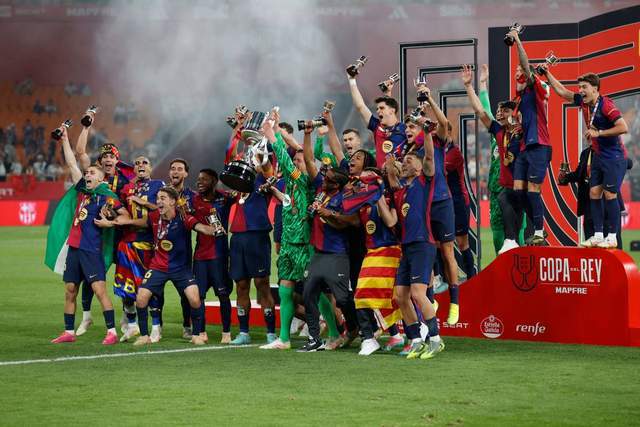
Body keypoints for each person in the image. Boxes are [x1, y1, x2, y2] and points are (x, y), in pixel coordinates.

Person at [260, 117, 341, 350]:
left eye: (300, 160)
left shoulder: (307, 181)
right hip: (288, 244)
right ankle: (284, 339)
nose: (296, 163)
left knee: (315, 292)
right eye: (295, 160)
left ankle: (334, 333)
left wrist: (273, 133)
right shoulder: (291, 185)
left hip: (305, 245)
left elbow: (285, 161)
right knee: (285, 291)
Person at [46, 124, 130, 344]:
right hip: (74, 249)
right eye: (86, 173)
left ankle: (112, 332)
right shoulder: (82, 190)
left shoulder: (107, 196)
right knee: (70, 290)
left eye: (91, 173)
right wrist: (64, 139)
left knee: (99, 290)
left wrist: (110, 223)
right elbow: (72, 162)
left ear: (100, 178)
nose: (87, 175)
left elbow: (125, 216)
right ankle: (69, 332)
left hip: (91, 250)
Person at [543, 69, 629, 248]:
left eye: (584, 87)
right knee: (594, 193)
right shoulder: (583, 102)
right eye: (580, 87)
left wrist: (599, 133)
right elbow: (562, 91)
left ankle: (612, 236)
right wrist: (547, 74)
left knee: (610, 194)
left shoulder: (606, 105)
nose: (580, 90)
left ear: (595, 88)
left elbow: (623, 127)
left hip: (614, 157)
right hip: (598, 156)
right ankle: (598, 235)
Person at [121, 186, 217, 346]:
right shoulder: (153, 216)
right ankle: (144, 336)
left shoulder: (184, 218)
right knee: (141, 297)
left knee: (194, 298)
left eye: (163, 198)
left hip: (181, 268)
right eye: (157, 198)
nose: (158, 201)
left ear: (173, 201)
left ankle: (196, 335)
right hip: (158, 267)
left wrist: (212, 229)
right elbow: (141, 222)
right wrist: (122, 221)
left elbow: (200, 227)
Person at [74, 111, 134, 335]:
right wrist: (86, 127)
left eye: (112, 156)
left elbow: (129, 210)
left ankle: (128, 317)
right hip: (96, 236)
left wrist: (114, 219)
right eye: (105, 156)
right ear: (100, 161)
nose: (108, 159)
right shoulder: (94, 176)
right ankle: (86, 317)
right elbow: (80, 153)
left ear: (117, 160)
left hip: (119, 234)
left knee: (124, 275)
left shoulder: (127, 181)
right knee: (90, 276)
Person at [385, 137, 444, 360]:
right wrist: (390, 164)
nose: (405, 163)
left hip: (422, 244)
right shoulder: (401, 191)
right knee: (401, 296)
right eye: (404, 161)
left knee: (418, 293)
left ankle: (436, 340)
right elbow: (392, 177)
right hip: (407, 247)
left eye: (409, 160)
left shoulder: (423, 182)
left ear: (419, 167)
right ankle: (417, 340)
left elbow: (429, 156)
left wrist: (427, 134)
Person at [299, 126, 358, 352]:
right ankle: (314, 338)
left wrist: (329, 214)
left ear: (338, 184)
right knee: (308, 294)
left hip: (337, 254)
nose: (324, 179)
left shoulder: (345, 198)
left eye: (329, 179)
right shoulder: (321, 190)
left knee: (342, 298)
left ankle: (355, 327)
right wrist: (307, 134)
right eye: (325, 177)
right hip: (318, 254)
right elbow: (309, 160)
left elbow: (351, 222)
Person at [462, 65, 525, 254]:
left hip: (518, 187)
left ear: (514, 114)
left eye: (504, 110)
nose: (499, 113)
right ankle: (502, 265)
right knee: (498, 237)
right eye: (498, 111)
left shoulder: (523, 133)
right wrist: (474, 85)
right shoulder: (497, 134)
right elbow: (483, 111)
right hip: (497, 188)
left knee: (519, 235)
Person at [342, 166, 405, 355]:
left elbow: (391, 222)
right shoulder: (361, 202)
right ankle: (375, 338)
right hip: (371, 253)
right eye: (361, 180)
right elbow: (347, 213)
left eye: (367, 179)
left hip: (390, 251)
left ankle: (414, 332)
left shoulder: (389, 197)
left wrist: (378, 197)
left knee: (389, 297)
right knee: (365, 296)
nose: (363, 183)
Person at [419, 84, 461, 325]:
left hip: (442, 202)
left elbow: (444, 123)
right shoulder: (412, 147)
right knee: (428, 253)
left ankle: (454, 303)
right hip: (423, 205)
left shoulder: (438, 141)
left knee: (447, 252)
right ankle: (431, 299)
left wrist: (429, 98)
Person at [507, 28, 552, 246]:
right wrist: (519, 129)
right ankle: (537, 225)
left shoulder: (536, 90)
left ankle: (539, 231)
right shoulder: (520, 98)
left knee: (533, 190)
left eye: (520, 70)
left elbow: (526, 65)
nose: (517, 73)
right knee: (518, 191)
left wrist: (517, 40)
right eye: (515, 71)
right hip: (525, 147)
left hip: (539, 145)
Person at [227, 151, 277, 346]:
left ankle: (271, 333)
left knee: (262, 284)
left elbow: (267, 168)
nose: (248, 163)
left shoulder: (261, 181)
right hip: (238, 239)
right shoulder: (237, 185)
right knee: (241, 285)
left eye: (251, 160)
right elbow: (229, 161)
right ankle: (243, 332)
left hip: (258, 237)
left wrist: (260, 154)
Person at [115, 156, 165, 342]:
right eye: (137, 163)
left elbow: (161, 209)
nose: (140, 165)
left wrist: (143, 203)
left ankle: (156, 327)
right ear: (134, 170)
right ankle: (132, 325)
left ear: (151, 167)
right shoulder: (126, 188)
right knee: (125, 289)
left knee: (149, 287)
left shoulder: (158, 185)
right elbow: (120, 210)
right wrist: (110, 213)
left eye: (144, 162)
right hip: (126, 244)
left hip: (147, 244)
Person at [191, 168, 234, 344]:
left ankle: (226, 332)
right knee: (199, 296)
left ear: (214, 182)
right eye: (198, 179)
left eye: (204, 179)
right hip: (200, 257)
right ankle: (201, 332)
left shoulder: (225, 198)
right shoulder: (194, 200)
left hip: (219, 256)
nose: (200, 182)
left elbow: (242, 194)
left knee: (223, 295)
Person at [559, 146, 630, 249]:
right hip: (589, 203)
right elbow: (579, 174)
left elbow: (629, 163)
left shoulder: (611, 150)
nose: (588, 137)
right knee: (591, 243)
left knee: (611, 244)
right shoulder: (586, 153)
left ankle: (614, 256)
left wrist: (615, 163)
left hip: (607, 203)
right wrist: (565, 178)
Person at [348, 70, 407, 168]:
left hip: (398, 175)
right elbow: (360, 106)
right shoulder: (376, 126)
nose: (378, 111)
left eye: (381, 108)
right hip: (380, 174)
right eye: (377, 109)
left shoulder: (405, 129)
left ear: (392, 111)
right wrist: (352, 80)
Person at [168, 158, 199, 339]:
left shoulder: (192, 196)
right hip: (161, 249)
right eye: (173, 168)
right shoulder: (161, 193)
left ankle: (187, 324)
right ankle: (157, 327)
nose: (176, 171)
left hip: (182, 249)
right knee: (156, 289)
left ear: (186, 173)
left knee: (185, 290)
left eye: (180, 169)